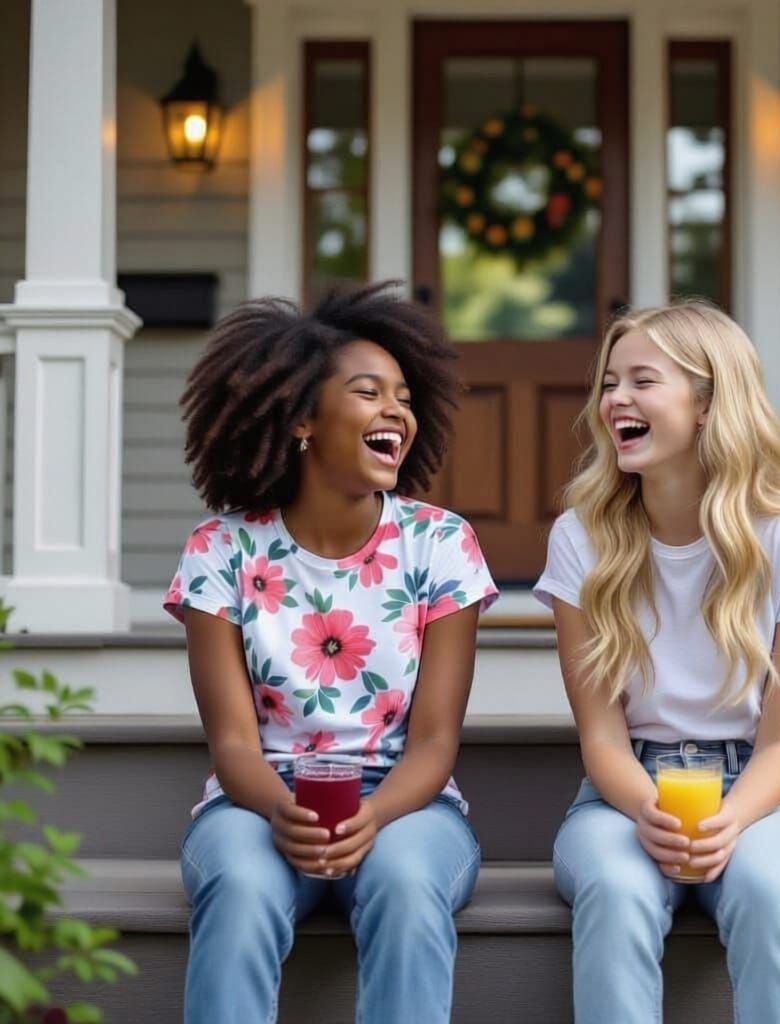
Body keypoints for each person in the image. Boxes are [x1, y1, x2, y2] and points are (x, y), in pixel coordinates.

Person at [164, 282, 498, 1024]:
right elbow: (233, 743)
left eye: (404, 397)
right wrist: (285, 812)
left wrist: (372, 816)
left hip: (406, 801)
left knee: (407, 886)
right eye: (368, 393)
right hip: (260, 799)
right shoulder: (220, 550)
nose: (396, 412)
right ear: (303, 420)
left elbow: (435, 741)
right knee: (242, 887)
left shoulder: (441, 543)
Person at [534, 300, 780, 1024]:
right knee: (617, 891)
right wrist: (649, 810)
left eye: (642, 381)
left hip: (764, 793)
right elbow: (601, 736)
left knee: (767, 888)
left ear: (709, 403)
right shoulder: (581, 538)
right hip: (625, 792)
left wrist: (730, 819)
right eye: (610, 383)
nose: (615, 399)